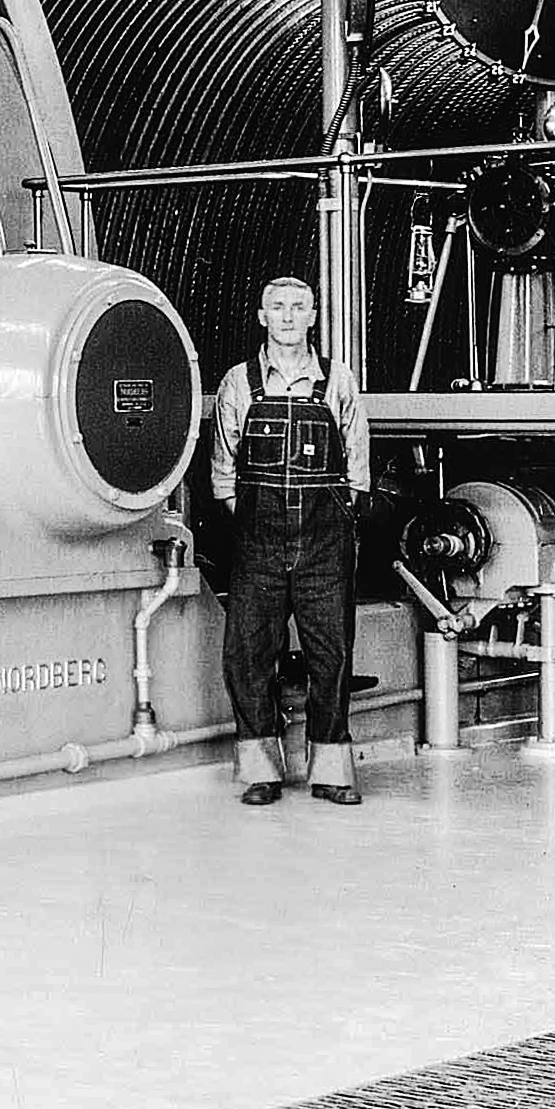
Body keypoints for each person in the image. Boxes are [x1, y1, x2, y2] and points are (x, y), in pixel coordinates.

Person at [212, 275, 370, 807]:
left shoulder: (338, 380)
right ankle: (261, 772)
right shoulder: (239, 381)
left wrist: (330, 523)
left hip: (325, 542)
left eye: (297, 307)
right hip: (259, 541)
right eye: (276, 307)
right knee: (249, 653)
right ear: (261, 316)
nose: (286, 316)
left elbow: (357, 470)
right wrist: (262, 523)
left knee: (332, 653)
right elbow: (224, 475)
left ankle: (331, 770)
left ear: (312, 316)